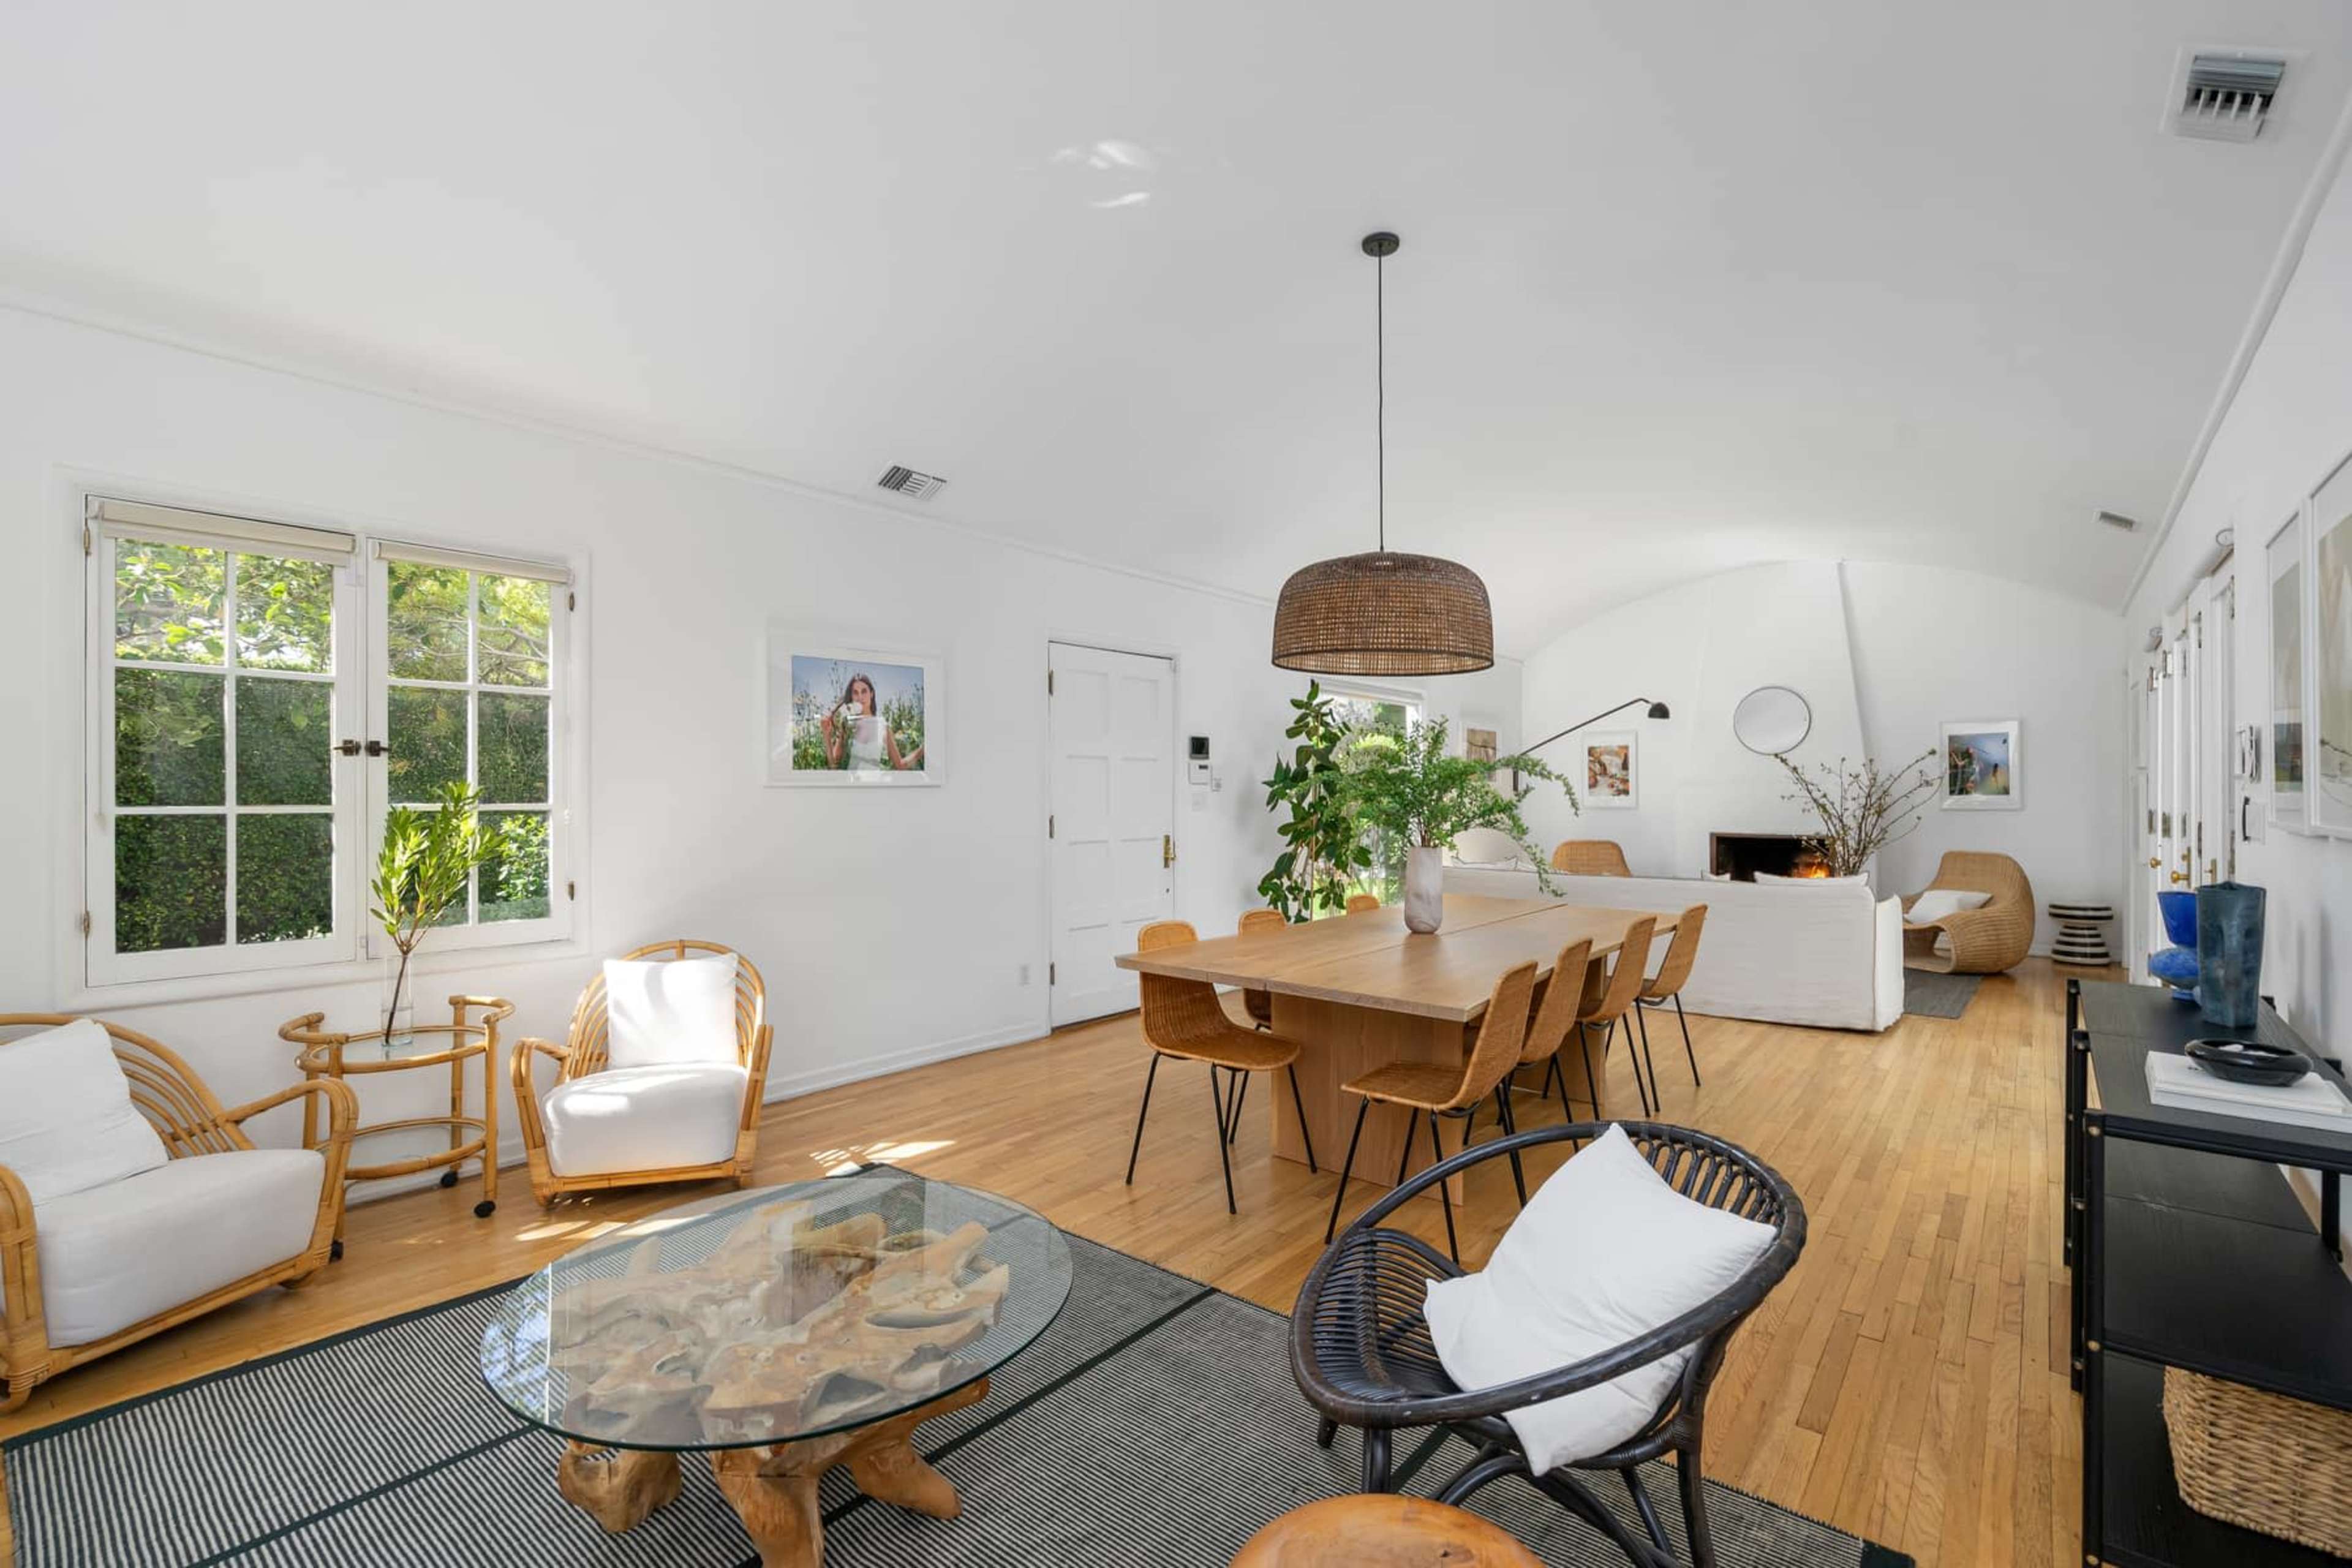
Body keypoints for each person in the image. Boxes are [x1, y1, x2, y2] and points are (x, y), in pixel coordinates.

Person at [818, 671, 924, 771]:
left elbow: (900, 765)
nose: (860, 697)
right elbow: (833, 765)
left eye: (864, 691)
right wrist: (827, 736)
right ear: (852, 697)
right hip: (851, 787)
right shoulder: (847, 725)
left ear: (872, 694)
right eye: (856, 693)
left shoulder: (882, 725)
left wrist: (924, 749)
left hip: (877, 787)